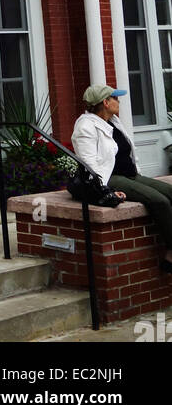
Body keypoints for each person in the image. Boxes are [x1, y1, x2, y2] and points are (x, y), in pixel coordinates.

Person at [72, 84, 172, 273]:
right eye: (115, 98)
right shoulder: (85, 126)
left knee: (170, 192)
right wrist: (104, 190)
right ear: (105, 102)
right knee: (159, 201)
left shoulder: (113, 121)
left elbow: (128, 152)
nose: (119, 102)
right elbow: (89, 164)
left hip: (131, 174)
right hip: (110, 178)